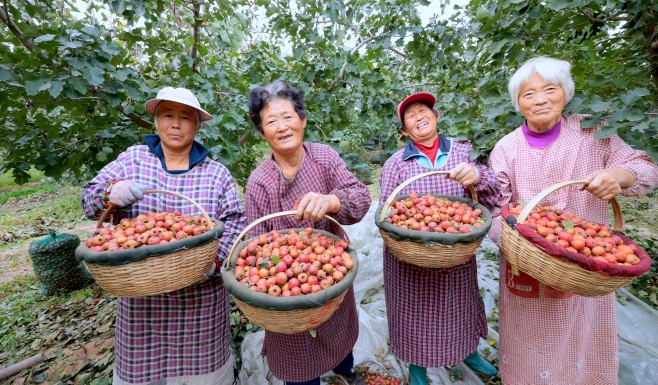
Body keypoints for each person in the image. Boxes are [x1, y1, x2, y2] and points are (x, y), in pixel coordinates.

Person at [488, 57, 658, 384]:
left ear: (565, 94)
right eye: (528, 94)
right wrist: (521, 246)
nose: (539, 99)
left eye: (549, 89)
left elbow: (649, 172)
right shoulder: (505, 148)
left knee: (582, 344)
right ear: (518, 104)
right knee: (531, 348)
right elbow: (496, 210)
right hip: (526, 267)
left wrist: (620, 176)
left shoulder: (592, 132)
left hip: (586, 263)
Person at [81, 87, 246, 385]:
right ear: (156, 121)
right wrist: (110, 193)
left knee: (204, 377)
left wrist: (213, 263)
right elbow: (89, 201)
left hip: (200, 308)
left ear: (197, 126)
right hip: (143, 307)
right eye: (168, 115)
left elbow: (235, 225)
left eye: (186, 117)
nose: (176, 124)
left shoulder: (216, 174)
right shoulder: (133, 161)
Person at [244, 80, 371, 385]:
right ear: (262, 133)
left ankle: (345, 370)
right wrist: (279, 263)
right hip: (286, 291)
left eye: (288, 117)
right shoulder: (259, 183)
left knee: (338, 331)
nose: (282, 126)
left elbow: (361, 198)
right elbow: (255, 248)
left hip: (331, 277)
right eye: (271, 121)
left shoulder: (324, 159)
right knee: (296, 353)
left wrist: (332, 200)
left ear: (302, 121)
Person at [380, 92, 501, 385]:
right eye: (410, 116)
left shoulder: (463, 152)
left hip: (455, 251)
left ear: (436, 117)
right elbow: (385, 213)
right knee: (414, 313)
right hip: (410, 255)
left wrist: (476, 175)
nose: (419, 116)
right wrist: (408, 235)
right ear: (405, 131)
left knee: (457, 307)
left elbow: (493, 191)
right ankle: (417, 368)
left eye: (424, 110)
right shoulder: (396, 164)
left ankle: (468, 353)